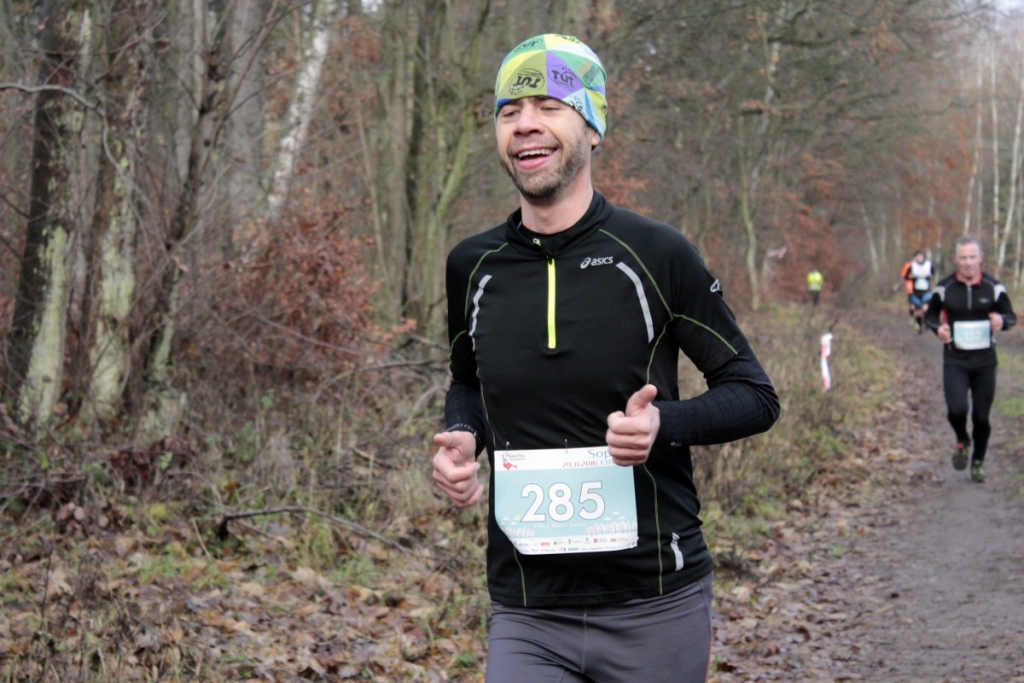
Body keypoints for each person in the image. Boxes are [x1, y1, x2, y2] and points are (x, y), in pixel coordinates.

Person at [431, 34, 780, 683]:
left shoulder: (656, 253)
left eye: (550, 106)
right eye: (509, 111)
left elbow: (755, 395)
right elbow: (468, 383)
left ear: (592, 128)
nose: (525, 124)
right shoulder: (472, 266)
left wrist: (663, 424)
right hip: (527, 609)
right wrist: (463, 434)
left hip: (655, 602)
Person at [924, 235, 1016, 483]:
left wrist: (1002, 321)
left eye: (972, 257)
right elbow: (930, 317)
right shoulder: (944, 288)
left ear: (980, 258)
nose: (967, 263)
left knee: (981, 417)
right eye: (963, 258)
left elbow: (1011, 316)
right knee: (957, 410)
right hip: (955, 359)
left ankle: (978, 461)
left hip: (985, 361)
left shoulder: (994, 288)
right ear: (955, 259)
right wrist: (938, 329)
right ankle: (962, 439)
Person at [901, 249, 933, 333]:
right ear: (915, 257)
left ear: (923, 257)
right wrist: (909, 277)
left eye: (920, 256)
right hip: (914, 292)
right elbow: (905, 277)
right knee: (916, 309)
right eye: (917, 256)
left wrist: (930, 275)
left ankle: (926, 321)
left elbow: (933, 273)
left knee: (925, 308)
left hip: (926, 291)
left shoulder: (928, 265)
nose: (919, 258)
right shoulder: (911, 266)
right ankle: (919, 326)